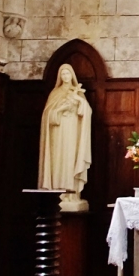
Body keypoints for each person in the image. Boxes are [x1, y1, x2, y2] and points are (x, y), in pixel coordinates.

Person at [38, 63, 92, 210]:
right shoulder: (54, 93)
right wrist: (60, 109)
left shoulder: (77, 91)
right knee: (58, 160)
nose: (65, 76)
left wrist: (78, 100)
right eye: (63, 74)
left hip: (72, 130)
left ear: (72, 75)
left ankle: (72, 194)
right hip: (58, 131)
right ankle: (57, 192)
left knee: (70, 158)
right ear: (59, 77)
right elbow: (47, 116)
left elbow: (86, 112)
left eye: (68, 73)